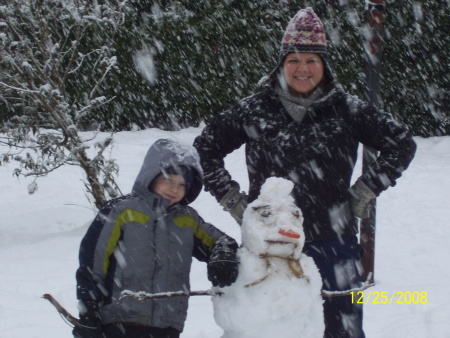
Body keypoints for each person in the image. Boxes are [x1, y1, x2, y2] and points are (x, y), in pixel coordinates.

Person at [194, 7, 416, 338]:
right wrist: (233, 200)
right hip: (269, 247)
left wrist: (365, 191)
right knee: (272, 330)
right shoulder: (255, 108)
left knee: (342, 329)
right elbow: (204, 150)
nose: (302, 69)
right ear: (281, 64)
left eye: (312, 60)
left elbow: (402, 143)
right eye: (293, 60)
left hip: (334, 242)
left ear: (324, 65)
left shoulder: (347, 110)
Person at [73, 138, 239, 338]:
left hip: (167, 325)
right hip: (119, 320)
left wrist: (223, 254)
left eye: (182, 184)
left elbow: (221, 241)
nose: (174, 189)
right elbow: (93, 263)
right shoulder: (122, 211)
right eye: (168, 179)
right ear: (151, 174)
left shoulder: (187, 220)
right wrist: (89, 312)